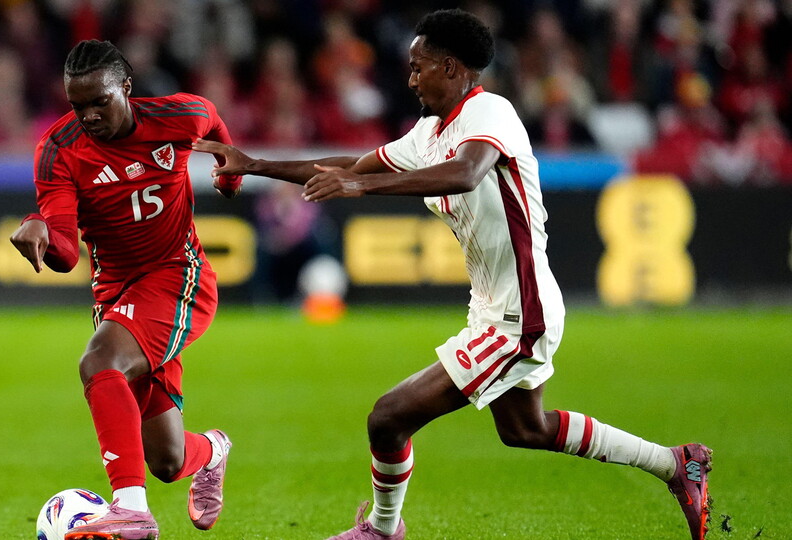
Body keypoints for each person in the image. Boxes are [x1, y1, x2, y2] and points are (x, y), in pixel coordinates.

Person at [192, 9, 711, 540]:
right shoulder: (427, 133)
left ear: (451, 67)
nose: (411, 77)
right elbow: (349, 165)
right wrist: (254, 165)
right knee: (525, 428)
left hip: (519, 311)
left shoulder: (492, 112)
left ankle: (382, 529)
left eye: (419, 67)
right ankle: (677, 464)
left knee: (388, 418)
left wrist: (360, 190)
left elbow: (466, 174)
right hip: (492, 304)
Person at [10, 39, 240, 540]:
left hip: (179, 276)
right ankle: (214, 450)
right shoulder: (58, 150)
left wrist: (228, 166)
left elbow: (212, 118)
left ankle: (130, 510)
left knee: (99, 362)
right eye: (77, 105)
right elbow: (69, 253)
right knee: (166, 459)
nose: (88, 116)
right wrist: (40, 229)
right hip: (115, 293)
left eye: (99, 102)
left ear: (127, 89)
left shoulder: (176, 116)